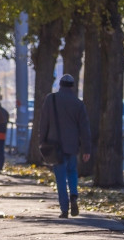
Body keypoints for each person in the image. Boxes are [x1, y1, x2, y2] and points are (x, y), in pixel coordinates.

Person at [38, 74, 91, 218]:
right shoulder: (78, 103)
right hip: (72, 145)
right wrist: (87, 149)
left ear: (60, 85)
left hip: (55, 145)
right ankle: (74, 194)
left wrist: (41, 140)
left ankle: (64, 209)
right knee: (72, 171)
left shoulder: (51, 99)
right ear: (72, 86)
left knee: (60, 177)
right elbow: (84, 128)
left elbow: (44, 122)